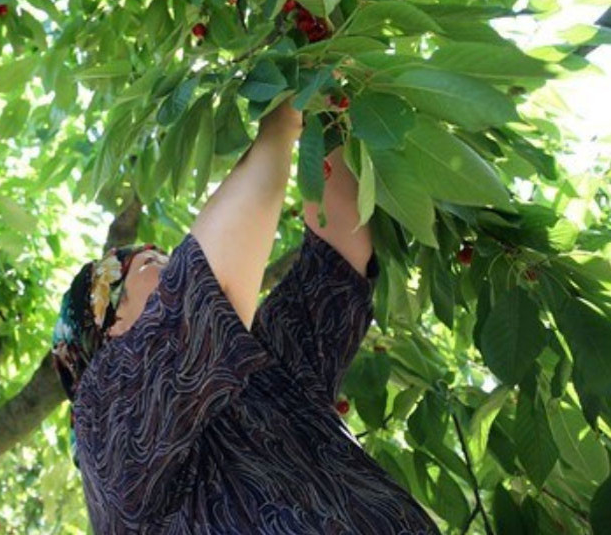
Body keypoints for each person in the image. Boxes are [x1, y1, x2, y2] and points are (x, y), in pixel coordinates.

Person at [51, 98, 440, 533]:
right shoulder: (104, 419)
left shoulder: (263, 370)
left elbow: (338, 254)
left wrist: (326, 113)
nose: (166, 258)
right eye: (145, 264)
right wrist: (281, 120)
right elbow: (208, 282)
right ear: (111, 330)